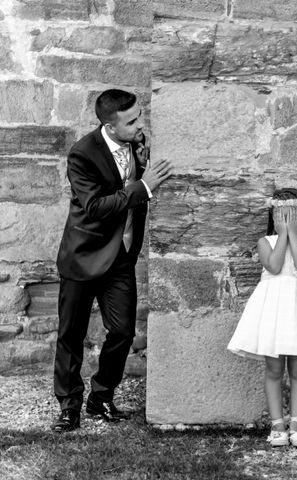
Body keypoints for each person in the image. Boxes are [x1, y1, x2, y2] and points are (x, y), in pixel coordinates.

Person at [52, 89, 172, 432]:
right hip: (83, 255)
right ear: (110, 125)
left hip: (121, 256)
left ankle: (101, 397)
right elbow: (94, 207)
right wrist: (143, 187)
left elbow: (137, 163)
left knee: (122, 331)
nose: (140, 124)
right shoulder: (82, 154)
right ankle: (69, 404)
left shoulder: (136, 140)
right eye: (132, 121)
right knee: (70, 335)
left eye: (139, 116)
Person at [227, 187, 297, 447]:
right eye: (280, 214)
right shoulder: (266, 242)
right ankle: (277, 425)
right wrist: (284, 235)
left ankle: (296, 424)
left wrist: (294, 235)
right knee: (274, 368)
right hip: (274, 312)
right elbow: (274, 266)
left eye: (291, 214)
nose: (286, 218)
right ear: (273, 216)